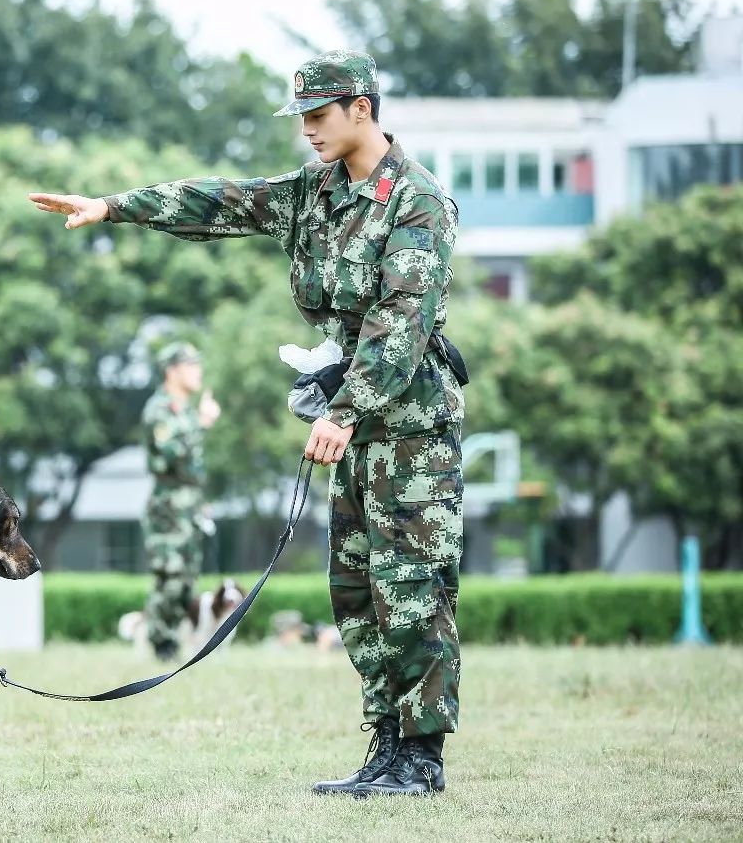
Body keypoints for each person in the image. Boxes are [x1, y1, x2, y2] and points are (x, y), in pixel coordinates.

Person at [28, 50, 464, 797]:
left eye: (320, 115)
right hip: (352, 426)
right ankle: (386, 746)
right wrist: (112, 206)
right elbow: (217, 201)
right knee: (356, 586)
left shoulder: (416, 201)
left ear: (363, 108)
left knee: (413, 585)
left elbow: (400, 325)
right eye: (301, 118)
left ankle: (422, 760)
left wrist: (345, 410)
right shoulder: (312, 194)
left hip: (409, 431)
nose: (307, 131)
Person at [140, 342, 220, 662]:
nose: (197, 371)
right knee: (170, 577)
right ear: (172, 371)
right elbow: (170, 455)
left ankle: (171, 643)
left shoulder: (184, 409)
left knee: (187, 579)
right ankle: (162, 643)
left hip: (189, 506)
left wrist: (201, 502)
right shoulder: (160, 408)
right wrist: (201, 423)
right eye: (190, 365)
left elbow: (192, 469)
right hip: (167, 508)